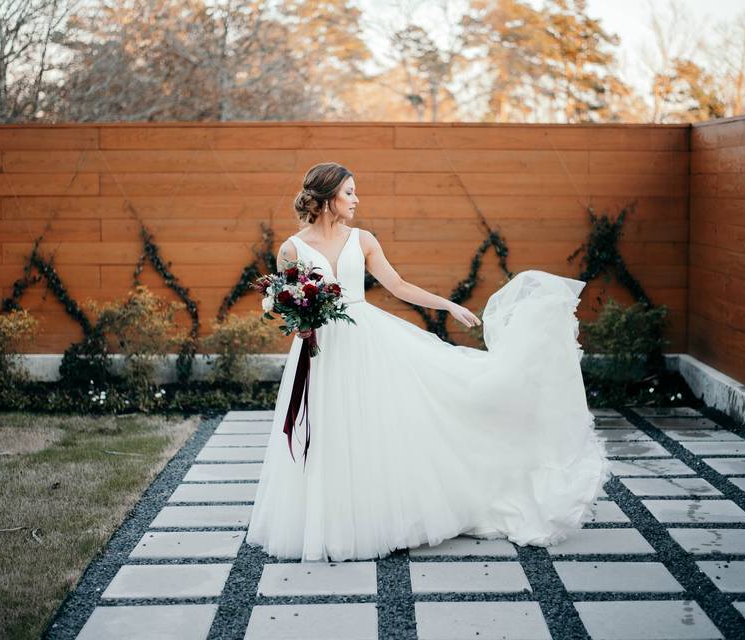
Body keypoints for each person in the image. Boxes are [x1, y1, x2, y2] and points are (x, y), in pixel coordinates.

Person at [246, 162, 612, 562]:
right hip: (320, 349)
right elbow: (290, 301)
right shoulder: (291, 249)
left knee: (375, 426)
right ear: (329, 197)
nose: (356, 199)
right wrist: (300, 320)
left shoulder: (363, 239)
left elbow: (398, 285)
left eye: (355, 191)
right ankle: (324, 523)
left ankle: (375, 515)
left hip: (366, 341)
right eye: (349, 192)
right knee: (328, 428)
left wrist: (449, 305)